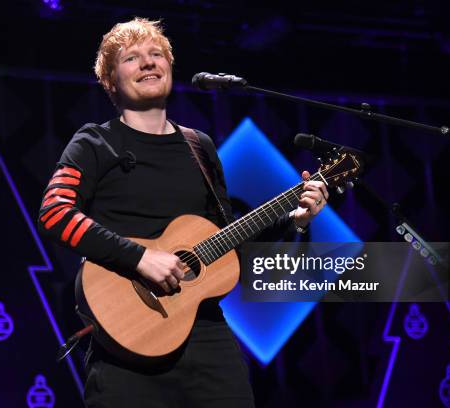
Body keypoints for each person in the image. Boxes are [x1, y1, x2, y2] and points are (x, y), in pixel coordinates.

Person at [38, 17, 328, 408]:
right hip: (126, 342)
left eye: (156, 54)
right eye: (132, 58)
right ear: (109, 80)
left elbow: (227, 243)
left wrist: (293, 221)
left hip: (207, 340)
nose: (148, 63)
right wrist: (139, 257)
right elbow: (54, 213)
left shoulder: (199, 146)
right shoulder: (94, 142)